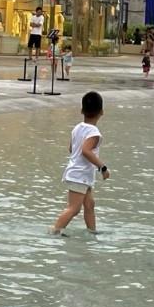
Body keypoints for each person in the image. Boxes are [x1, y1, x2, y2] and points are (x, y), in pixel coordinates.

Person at [51, 90, 110, 236]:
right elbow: (85, 151)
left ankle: (92, 232)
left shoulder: (77, 128)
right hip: (80, 175)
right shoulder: (94, 133)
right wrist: (102, 167)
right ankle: (54, 231)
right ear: (101, 112)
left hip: (80, 174)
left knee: (89, 204)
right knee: (74, 208)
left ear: (82, 110)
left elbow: (71, 148)